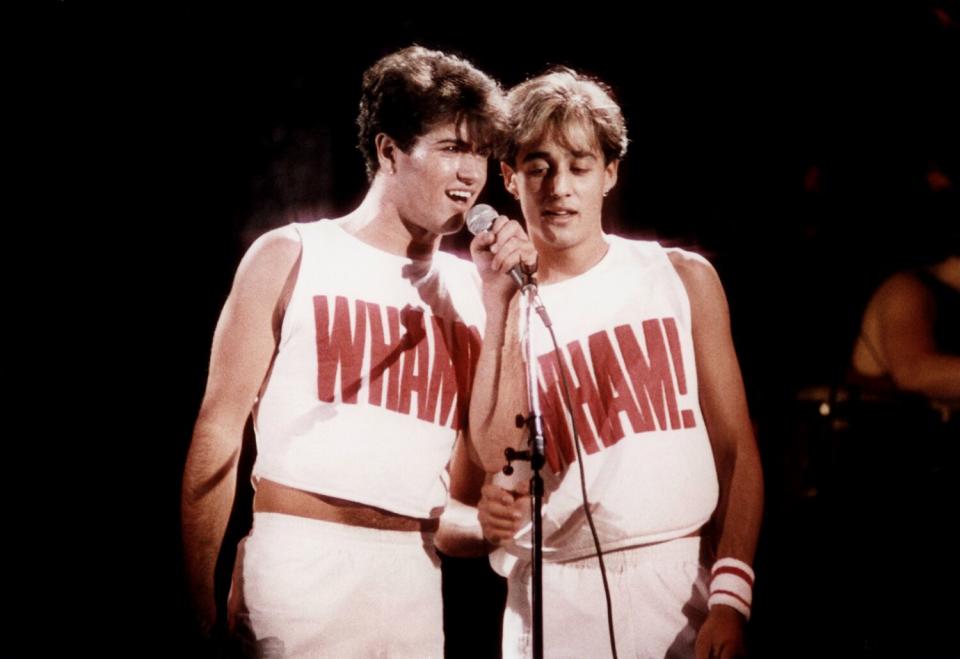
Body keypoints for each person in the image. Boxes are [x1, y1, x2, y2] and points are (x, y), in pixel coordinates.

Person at [181, 45, 506, 658]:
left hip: (412, 574)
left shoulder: (472, 290)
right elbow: (219, 431)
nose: (471, 173)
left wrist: (501, 301)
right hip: (300, 561)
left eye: (482, 153)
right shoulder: (292, 253)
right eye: (452, 148)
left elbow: (474, 473)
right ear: (388, 151)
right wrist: (198, 599)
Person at [466, 68, 764, 658]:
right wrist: (501, 305)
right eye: (538, 166)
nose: (559, 187)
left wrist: (731, 599)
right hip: (553, 589)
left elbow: (737, 451)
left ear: (610, 173)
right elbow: (495, 454)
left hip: (678, 579)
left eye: (579, 165)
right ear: (509, 177)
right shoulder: (494, 306)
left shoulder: (681, 278)